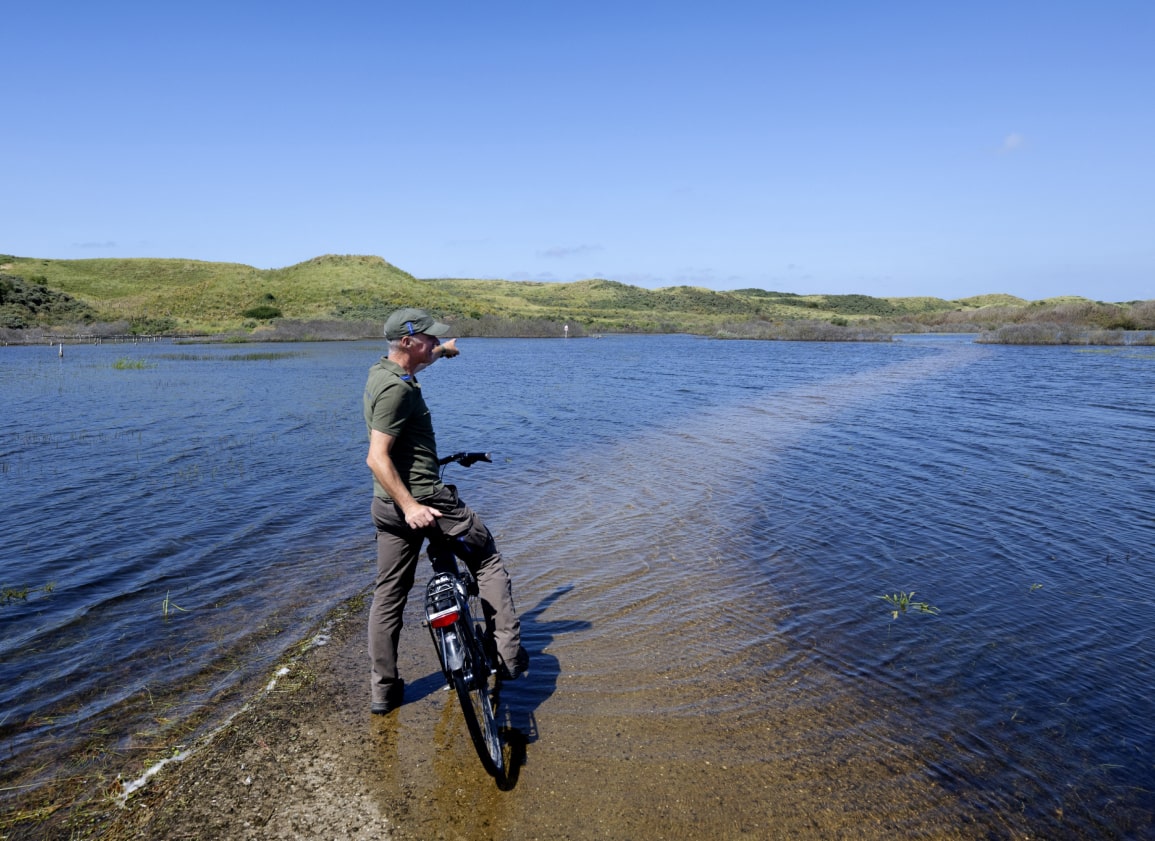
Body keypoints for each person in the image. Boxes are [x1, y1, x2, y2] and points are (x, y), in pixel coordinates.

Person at [363, 307, 529, 715]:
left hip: (385, 506)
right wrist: (412, 505)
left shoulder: (382, 373)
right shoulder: (397, 391)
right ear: (406, 342)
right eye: (430, 339)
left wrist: (443, 352)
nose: (435, 342)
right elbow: (376, 458)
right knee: (486, 558)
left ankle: (383, 691)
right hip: (421, 500)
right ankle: (508, 658)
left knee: (388, 596)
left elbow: (417, 361)